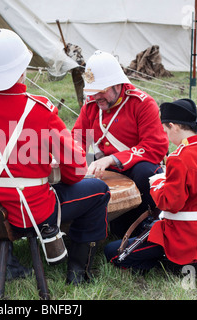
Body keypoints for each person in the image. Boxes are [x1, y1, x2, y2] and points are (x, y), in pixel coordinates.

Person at [0, 28, 111, 285]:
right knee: (98, 191)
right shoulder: (42, 110)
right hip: (32, 212)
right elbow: (75, 168)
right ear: (21, 69)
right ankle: (78, 273)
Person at [104, 98, 197, 271]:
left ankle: (163, 264)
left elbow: (169, 204)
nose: (167, 137)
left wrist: (158, 182)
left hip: (180, 237)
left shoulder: (178, 157)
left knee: (111, 252)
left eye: (166, 131)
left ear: (174, 126)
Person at [72, 50, 169, 238]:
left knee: (145, 172)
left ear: (118, 83)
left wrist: (112, 159)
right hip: (106, 173)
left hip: (136, 170)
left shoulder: (142, 104)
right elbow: (78, 140)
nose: (97, 96)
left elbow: (155, 147)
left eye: (102, 90)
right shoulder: (91, 106)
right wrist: (64, 159)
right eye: (94, 91)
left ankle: (150, 219)